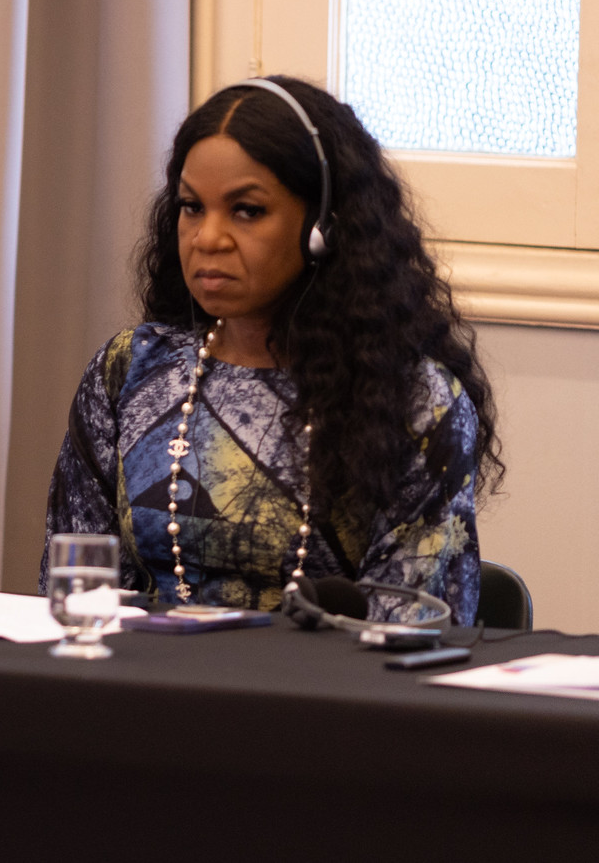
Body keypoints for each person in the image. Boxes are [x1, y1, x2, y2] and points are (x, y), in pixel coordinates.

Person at [42, 76, 499, 623]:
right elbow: (72, 587)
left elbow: (417, 625)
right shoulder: (130, 370)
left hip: (324, 700)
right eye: (192, 207)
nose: (207, 238)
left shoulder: (412, 399)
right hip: (142, 691)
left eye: (246, 210)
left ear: (322, 227)